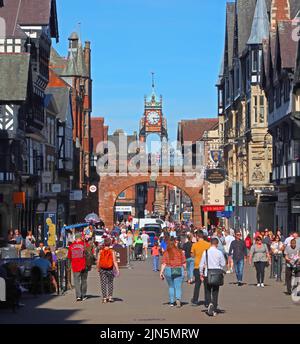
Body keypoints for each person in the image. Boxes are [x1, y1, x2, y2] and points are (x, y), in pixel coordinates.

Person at [200, 238, 226, 317]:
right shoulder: (219, 253)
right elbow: (223, 263)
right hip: (217, 273)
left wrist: (201, 273)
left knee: (207, 290)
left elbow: (201, 264)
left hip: (207, 273)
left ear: (210, 243)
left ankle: (209, 303)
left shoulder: (206, 252)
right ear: (217, 244)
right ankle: (214, 306)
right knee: (215, 291)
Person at [160, 239, 186, 308]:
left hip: (168, 270)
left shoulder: (166, 252)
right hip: (178, 269)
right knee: (178, 286)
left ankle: (171, 302)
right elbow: (184, 262)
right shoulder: (180, 252)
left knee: (171, 286)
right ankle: (178, 299)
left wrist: (161, 272)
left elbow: (164, 263)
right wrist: (185, 270)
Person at [190, 230, 210, 306]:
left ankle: (195, 300)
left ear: (197, 236)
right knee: (206, 284)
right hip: (206, 266)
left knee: (197, 284)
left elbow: (192, 255)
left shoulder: (194, 245)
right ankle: (207, 301)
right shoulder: (208, 244)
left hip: (197, 266)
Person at [68, 232, 89, 301]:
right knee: (84, 280)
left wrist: (69, 265)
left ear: (75, 238)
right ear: (81, 237)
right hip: (84, 265)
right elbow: (90, 254)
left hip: (75, 265)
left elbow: (69, 257)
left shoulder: (71, 246)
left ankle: (78, 296)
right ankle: (83, 295)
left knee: (76, 281)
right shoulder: (85, 245)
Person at [97, 238, 119, 303]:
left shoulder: (100, 251)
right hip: (110, 268)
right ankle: (110, 297)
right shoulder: (112, 251)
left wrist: (98, 268)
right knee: (110, 283)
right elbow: (114, 261)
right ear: (110, 244)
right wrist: (117, 269)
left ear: (104, 243)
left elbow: (98, 261)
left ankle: (104, 298)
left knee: (103, 283)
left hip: (102, 269)